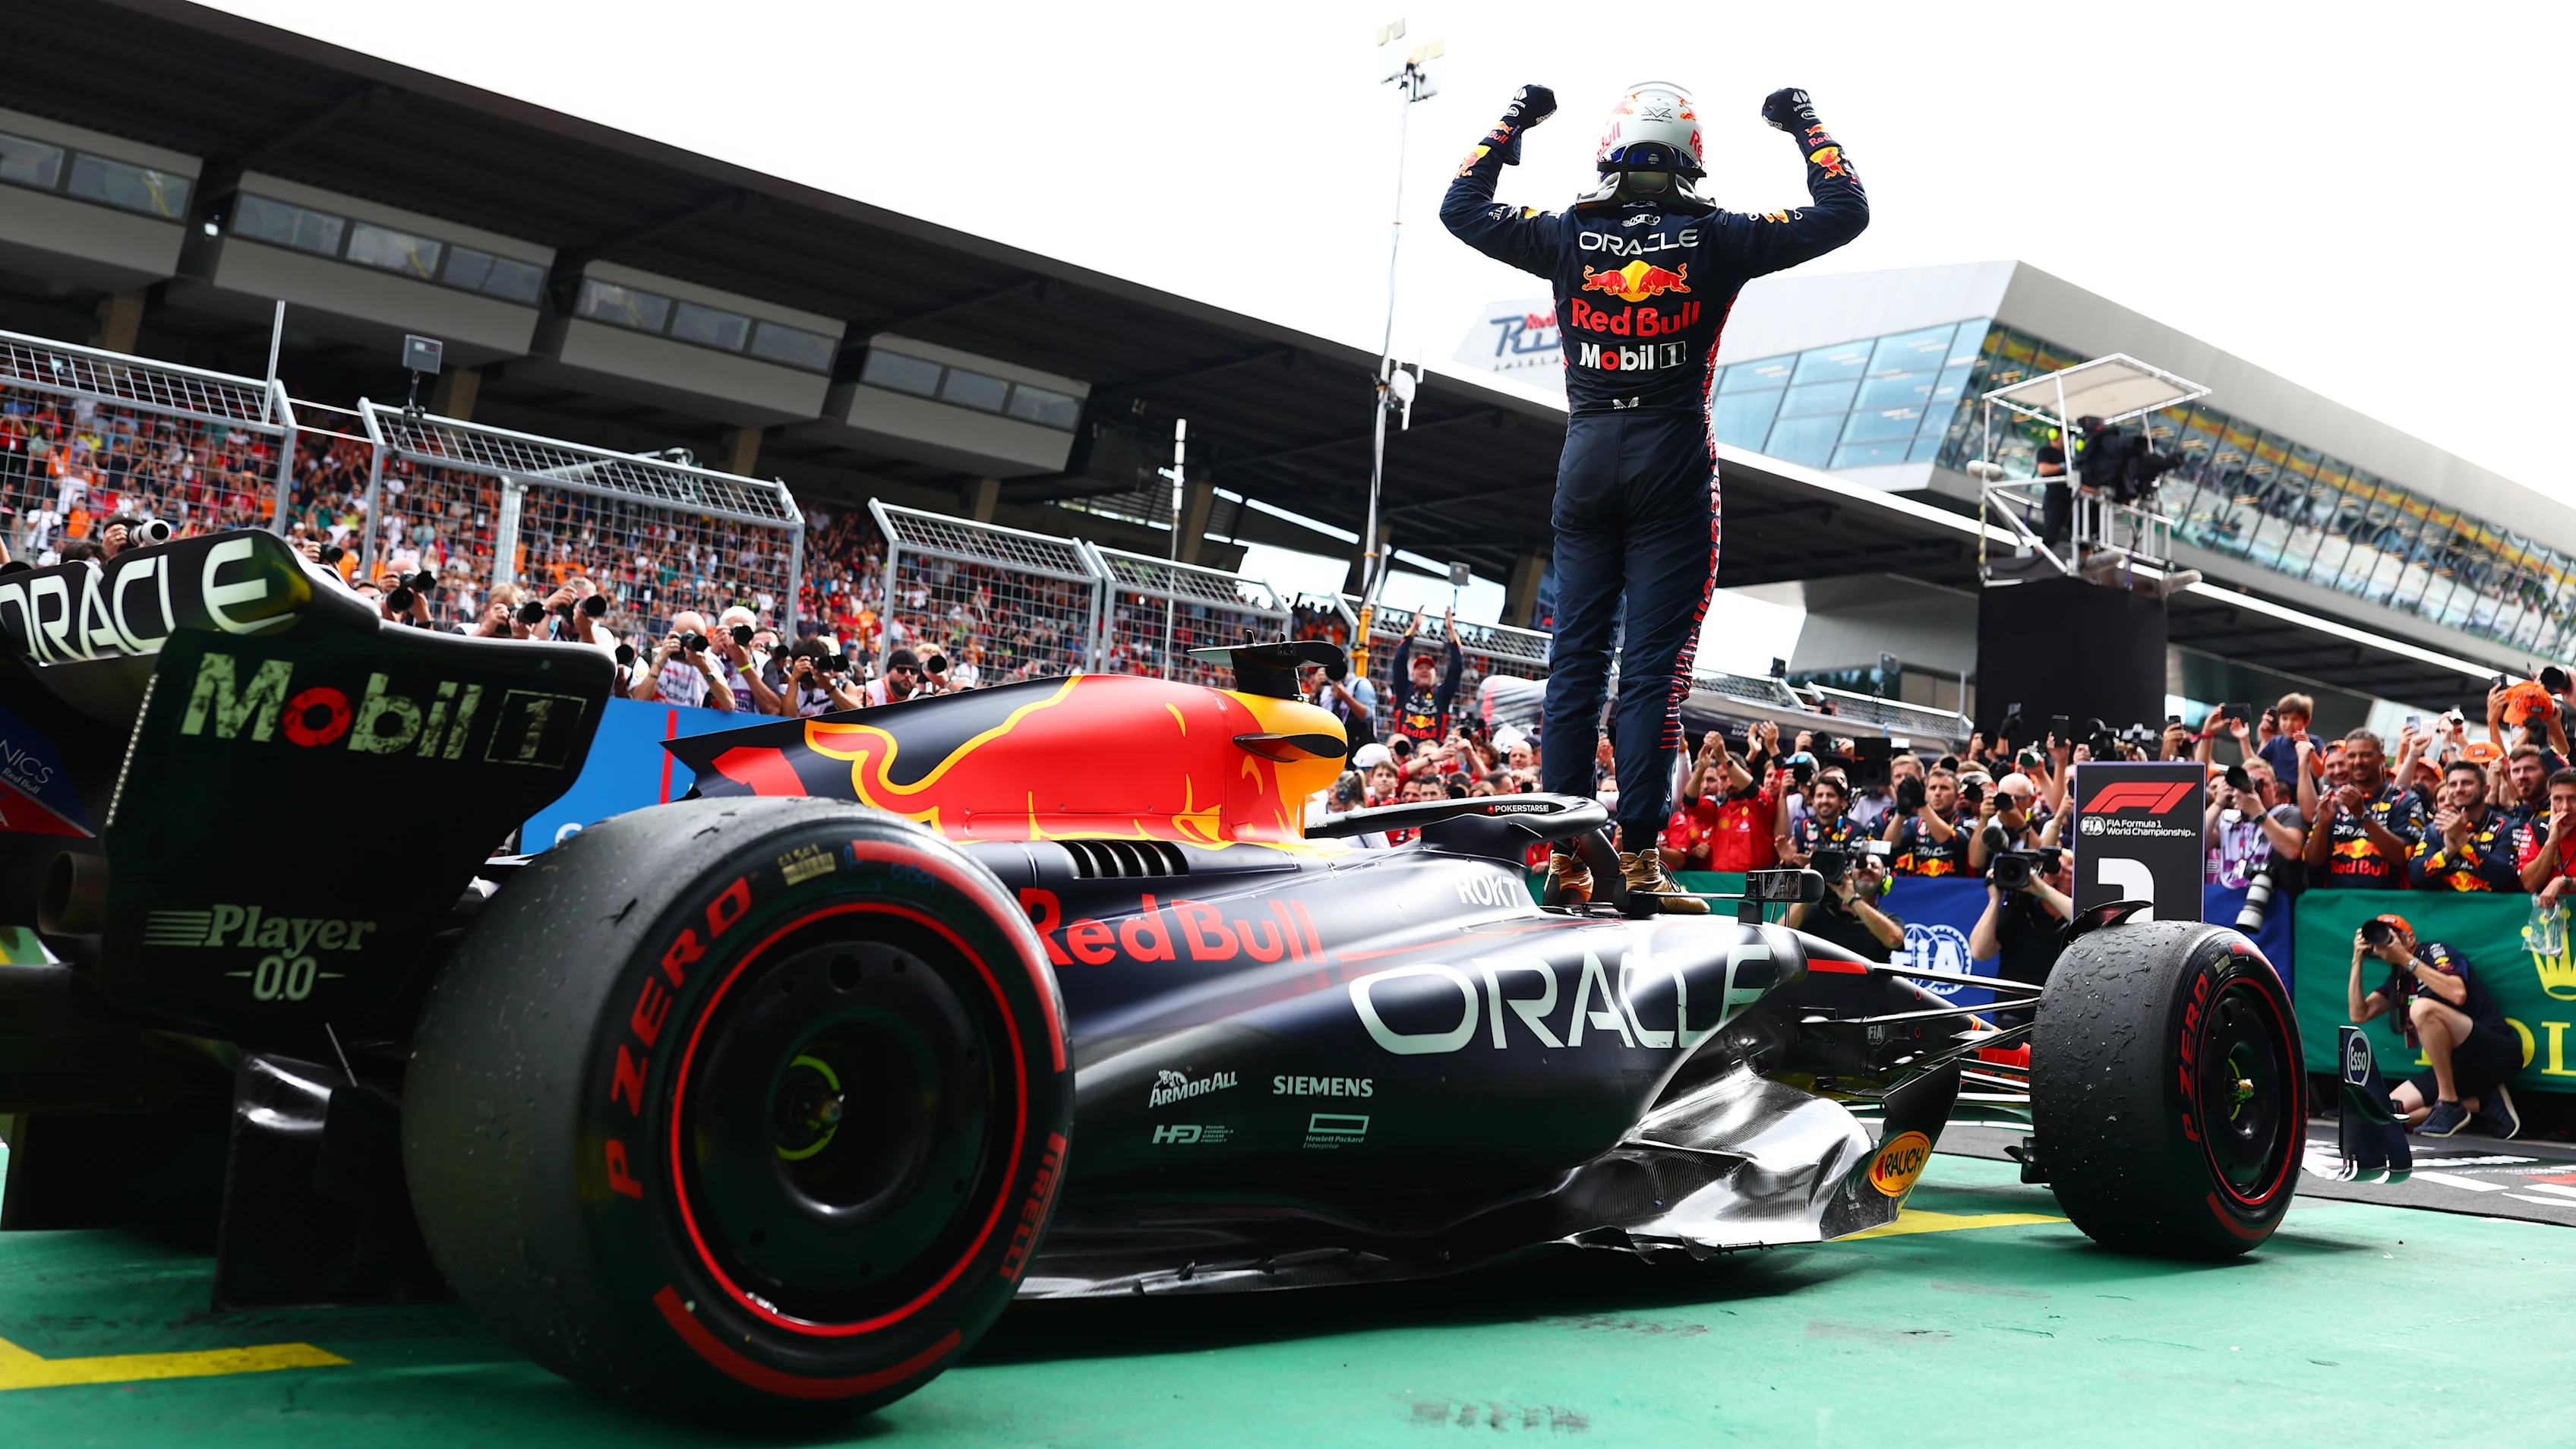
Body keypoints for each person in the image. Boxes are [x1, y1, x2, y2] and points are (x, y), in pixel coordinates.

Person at [1443, 80, 1865, 913]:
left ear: (1608, 150)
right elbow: (1844, 207)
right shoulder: (1719, 235)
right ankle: (1636, 861)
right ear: (1690, 157)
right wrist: (1801, 122)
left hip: (1586, 456)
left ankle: (1565, 859)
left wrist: (1514, 120)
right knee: (1650, 677)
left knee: (1572, 666)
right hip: (1673, 460)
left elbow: (1461, 204)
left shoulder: (1565, 232)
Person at [2347, 915, 2520, 1138]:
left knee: (2421, 1008)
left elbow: (2457, 994)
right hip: (2458, 1067)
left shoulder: (2432, 952)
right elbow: (2359, 1014)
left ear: (2410, 938)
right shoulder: (2400, 978)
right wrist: (2357, 959)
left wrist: (2406, 958)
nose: (2386, 942)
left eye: (2392, 935)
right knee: (2386, 1112)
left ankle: (2449, 1102)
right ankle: (2480, 1104)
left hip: (2494, 1050)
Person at [2303, 730, 2422, 888]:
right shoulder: (2332, 800)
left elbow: (2402, 856)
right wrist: (2322, 826)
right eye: (2352, 756)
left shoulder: (2404, 800)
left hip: (2389, 903)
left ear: (2382, 759)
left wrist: (2363, 816)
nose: (2358, 761)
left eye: (2365, 755)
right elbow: (2312, 862)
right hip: (2337, 902)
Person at [1969, 845, 2072, 1023]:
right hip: (2012, 1020)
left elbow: (2080, 915)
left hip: (2060, 1022)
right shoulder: (2019, 910)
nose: (2059, 875)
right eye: (2055, 869)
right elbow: (1979, 952)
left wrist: (2044, 890)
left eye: (2067, 871)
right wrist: (1995, 900)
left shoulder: (2076, 917)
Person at [2411, 759, 2521, 892]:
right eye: (2453, 784)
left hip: (2493, 911)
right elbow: (2415, 876)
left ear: (2486, 790)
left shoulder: (2508, 827)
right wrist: (2448, 853)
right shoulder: (2435, 829)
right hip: (2444, 911)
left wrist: (2463, 841)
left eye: (2466, 783)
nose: (2458, 789)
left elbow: (2504, 877)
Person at [1785, 852, 1905, 961]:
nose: (1868, 868)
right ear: (1849, 873)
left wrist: (1853, 899)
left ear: (1884, 880)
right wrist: (1810, 889)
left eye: (1874, 867)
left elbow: (1894, 940)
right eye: (1861, 865)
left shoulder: (1888, 919)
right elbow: (1781, 934)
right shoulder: (1820, 910)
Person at [1385, 608, 1463, 747]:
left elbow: (1456, 667)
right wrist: (1413, 629)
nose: (1424, 671)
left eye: (1428, 668)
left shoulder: (1442, 694)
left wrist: (1451, 630)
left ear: (1435, 674)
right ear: (1412, 673)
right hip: (1404, 752)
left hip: (1432, 753)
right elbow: (1399, 661)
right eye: (1420, 668)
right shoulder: (1404, 690)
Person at [633, 610, 734, 712]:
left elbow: (729, 704)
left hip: (690, 724)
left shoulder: (708, 662)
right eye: (684, 638)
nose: (687, 646)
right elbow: (638, 700)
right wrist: (659, 662)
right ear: (672, 633)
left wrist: (704, 668)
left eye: (696, 639)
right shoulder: (651, 657)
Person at [1886, 766, 1965, 877]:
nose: (1937, 793)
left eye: (1944, 788)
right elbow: (1889, 846)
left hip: (1954, 890)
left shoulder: (1966, 821)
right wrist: (1901, 813)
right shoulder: (1914, 824)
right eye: (1933, 788)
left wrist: (1922, 805)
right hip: (1920, 890)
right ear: (1926, 792)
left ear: (1957, 796)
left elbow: (1948, 841)